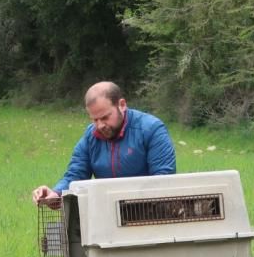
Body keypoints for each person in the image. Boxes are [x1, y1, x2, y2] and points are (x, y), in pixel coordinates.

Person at [32, 81, 176, 206]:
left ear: (122, 105)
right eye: (95, 120)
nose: (100, 125)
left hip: (151, 210)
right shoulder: (90, 137)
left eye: (105, 117)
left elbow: (163, 179)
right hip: (106, 211)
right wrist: (56, 194)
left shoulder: (151, 129)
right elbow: (76, 174)